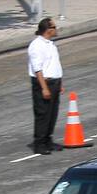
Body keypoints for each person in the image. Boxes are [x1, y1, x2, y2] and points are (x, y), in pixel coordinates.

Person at [27, 17, 64, 155]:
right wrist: (44, 88)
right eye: (54, 27)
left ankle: (48, 140)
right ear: (48, 30)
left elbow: (55, 64)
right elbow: (38, 69)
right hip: (44, 83)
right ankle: (39, 143)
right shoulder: (36, 46)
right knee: (42, 114)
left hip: (54, 82)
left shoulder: (51, 44)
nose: (56, 29)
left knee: (52, 114)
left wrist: (60, 83)